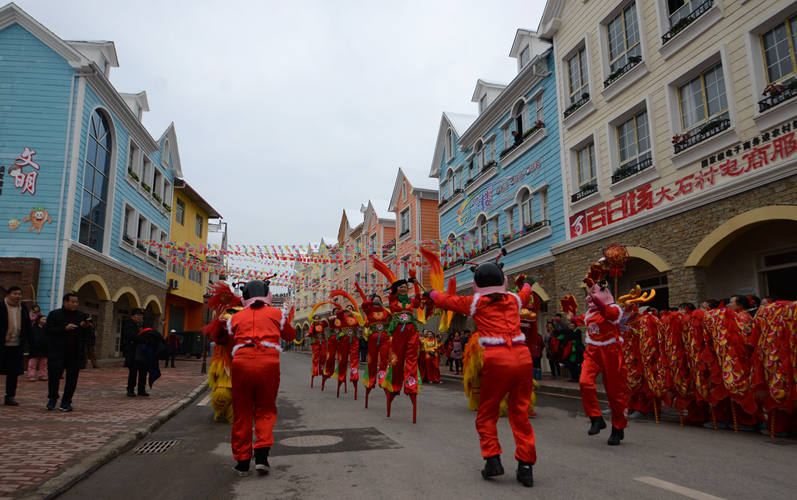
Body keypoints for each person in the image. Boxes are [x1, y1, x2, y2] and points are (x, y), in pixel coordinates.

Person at [428, 267, 537, 487]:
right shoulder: (514, 299)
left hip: (497, 358)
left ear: (477, 284)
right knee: (520, 413)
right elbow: (526, 293)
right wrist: (528, 283)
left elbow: (445, 300)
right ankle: (526, 467)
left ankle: (492, 458)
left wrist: (430, 293)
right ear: (503, 281)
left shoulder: (475, 302)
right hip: (523, 357)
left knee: (487, 412)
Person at [224, 279, 295, 477]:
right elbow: (290, 336)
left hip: (241, 363)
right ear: (267, 294)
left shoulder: (236, 317)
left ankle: (242, 462)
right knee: (265, 409)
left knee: (242, 411)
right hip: (268, 363)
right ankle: (262, 455)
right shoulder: (276, 314)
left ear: (244, 296)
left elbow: (227, 341)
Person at [567, 264, 628, 446]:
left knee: (615, 394)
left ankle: (618, 428)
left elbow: (608, 313)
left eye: (593, 291)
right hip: (593, 351)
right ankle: (596, 418)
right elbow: (579, 320)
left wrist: (595, 297)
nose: (589, 295)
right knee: (584, 382)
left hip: (611, 352)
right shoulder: (589, 313)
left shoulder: (614, 309)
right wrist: (570, 317)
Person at [372, 257, 423, 422]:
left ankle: (411, 385)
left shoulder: (411, 301)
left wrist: (415, 283)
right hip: (397, 333)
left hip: (411, 331)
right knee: (396, 361)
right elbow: (392, 292)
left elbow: (419, 301)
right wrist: (404, 280)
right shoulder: (393, 299)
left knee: (411, 359)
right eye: (401, 287)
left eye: (405, 287)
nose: (403, 288)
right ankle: (394, 386)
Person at [46, 293, 92, 411]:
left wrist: (85, 326)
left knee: (72, 379)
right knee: (54, 377)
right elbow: (48, 330)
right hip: (57, 351)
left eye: (77, 302)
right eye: (73, 302)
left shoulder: (82, 315)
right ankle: (52, 399)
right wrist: (64, 328)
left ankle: (66, 402)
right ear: (65, 302)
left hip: (75, 352)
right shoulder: (54, 314)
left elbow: (88, 334)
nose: (75, 304)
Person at [1, 286, 32, 406]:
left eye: (19, 294)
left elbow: (27, 326)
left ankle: (10, 396)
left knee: (13, 373)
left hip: (16, 345)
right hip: (2, 344)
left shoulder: (23, 307)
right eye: (15, 294)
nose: (18, 296)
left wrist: (31, 342)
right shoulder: (1, 306)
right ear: (8, 294)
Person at [122, 309, 147, 397]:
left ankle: (141, 390)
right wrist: (143, 339)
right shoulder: (129, 324)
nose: (140, 317)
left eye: (141, 315)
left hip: (142, 352)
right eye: (138, 315)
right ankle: (130, 390)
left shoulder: (143, 325)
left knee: (143, 371)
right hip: (133, 351)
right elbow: (131, 336)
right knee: (133, 371)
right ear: (133, 316)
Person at [27, 315, 48, 381]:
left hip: (44, 348)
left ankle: (42, 375)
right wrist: (32, 345)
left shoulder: (46, 328)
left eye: (45, 319)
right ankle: (31, 375)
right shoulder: (33, 328)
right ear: (39, 320)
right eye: (43, 319)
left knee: (43, 363)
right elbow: (30, 338)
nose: (45, 321)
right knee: (32, 363)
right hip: (34, 349)